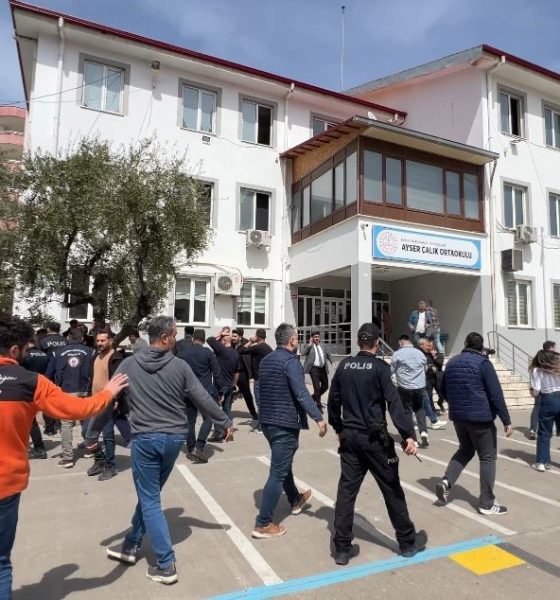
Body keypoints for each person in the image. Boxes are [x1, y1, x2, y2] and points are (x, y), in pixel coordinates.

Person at [0, 313, 128, 600]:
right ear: (14, 350)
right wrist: (108, 393)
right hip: (5, 485)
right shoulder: (29, 382)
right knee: (0, 563)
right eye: (25, 349)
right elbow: (77, 409)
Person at [105, 316, 232, 585]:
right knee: (149, 496)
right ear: (164, 338)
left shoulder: (129, 364)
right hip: (173, 440)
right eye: (174, 334)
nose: (176, 339)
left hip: (146, 440)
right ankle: (130, 544)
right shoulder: (179, 366)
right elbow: (202, 397)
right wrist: (224, 421)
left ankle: (165, 564)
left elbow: (108, 398)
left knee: (150, 499)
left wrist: (92, 432)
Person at [328, 323, 427, 565]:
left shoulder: (344, 366)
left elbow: (333, 401)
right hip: (375, 439)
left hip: (350, 437)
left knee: (346, 492)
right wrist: (408, 435)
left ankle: (342, 548)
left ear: (358, 341)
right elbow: (394, 403)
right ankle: (407, 542)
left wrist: (339, 428)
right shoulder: (380, 368)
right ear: (376, 342)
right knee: (392, 489)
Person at [252, 323, 327, 539]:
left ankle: (295, 499)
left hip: (268, 422)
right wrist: (318, 417)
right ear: (292, 341)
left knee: (283, 464)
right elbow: (301, 393)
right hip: (284, 424)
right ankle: (263, 523)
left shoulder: (266, 361)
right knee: (277, 472)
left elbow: (260, 389)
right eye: (297, 338)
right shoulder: (291, 362)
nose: (298, 341)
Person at [436, 332, 512, 515]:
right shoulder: (483, 364)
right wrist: (506, 420)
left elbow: (442, 387)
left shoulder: (452, 362)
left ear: (465, 343)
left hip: (459, 417)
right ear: (481, 346)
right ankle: (486, 503)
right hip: (480, 419)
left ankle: (446, 481)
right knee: (487, 458)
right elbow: (496, 394)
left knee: (465, 450)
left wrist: (454, 403)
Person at [45, 327, 94, 468]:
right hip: (85, 391)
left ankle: (68, 458)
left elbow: (49, 374)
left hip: (65, 391)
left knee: (66, 424)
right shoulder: (90, 352)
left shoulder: (58, 353)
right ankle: (89, 449)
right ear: (82, 338)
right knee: (86, 420)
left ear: (67, 338)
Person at [84, 329, 129, 481]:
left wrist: (116, 399)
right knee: (86, 433)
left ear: (110, 341)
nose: (99, 343)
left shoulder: (116, 358)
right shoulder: (96, 356)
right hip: (94, 401)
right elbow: (93, 379)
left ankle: (111, 467)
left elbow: (121, 380)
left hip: (108, 402)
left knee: (108, 436)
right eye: (98, 341)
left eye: (103, 340)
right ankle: (100, 459)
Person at [177, 328, 225, 463]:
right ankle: (200, 446)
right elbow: (217, 373)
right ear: (203, 340)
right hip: (205, 392)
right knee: (208, 419)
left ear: (193, 339)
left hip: (188, 392)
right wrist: (220, 391)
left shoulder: (182, 354)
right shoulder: (208, 353)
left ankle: (191, 449)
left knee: (190, 421)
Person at [391, 335, 430, 448]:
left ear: (400, 343)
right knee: (420, 408)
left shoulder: (397, 354)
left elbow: (391, 370)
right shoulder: (420, 353)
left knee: (407, 411)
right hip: (420, 386)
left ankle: (413, 438)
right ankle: (423, 432)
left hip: (405, 386)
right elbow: (425, 368)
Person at [529, 349, 560, 471]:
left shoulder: (537, 370)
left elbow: (536, 391)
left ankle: (542, 462)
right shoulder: (558, 368)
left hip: (548, 400)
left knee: (544, 433)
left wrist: (532, 392)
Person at [207, 327, 239, 440]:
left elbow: (209, 339)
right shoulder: (236, 353)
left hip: (219, 385)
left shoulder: (222, 350)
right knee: (227, 409)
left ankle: (218, 433)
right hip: (229, 384)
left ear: (224, 341)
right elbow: (236, 372)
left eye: (221, 340)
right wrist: (234, 384)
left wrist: (221, 333)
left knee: (216, 409)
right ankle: (228, 431)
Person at [21, 338, 49, 460]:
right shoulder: (44, 354)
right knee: (32, 421)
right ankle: (39, 448)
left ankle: (38, 449)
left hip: (26, 388)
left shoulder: (25, 355)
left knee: (30, 421)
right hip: (40, 386)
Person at [529, 341, 560, 439]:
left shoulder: (538, 360)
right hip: (549, 391)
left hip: (540, 389)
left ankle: (533, 430)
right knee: (554, 408)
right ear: (550, 348)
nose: (555, 350)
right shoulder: (554, 361)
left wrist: (533, 391)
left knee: (537, 408)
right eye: (554, 348)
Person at [238, 328, 273, 408]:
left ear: (257, 337)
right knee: (266, 401)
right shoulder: (268, 348)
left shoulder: (257, 348)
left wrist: (250, 341)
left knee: (259, 402)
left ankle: (262, 416)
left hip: (259, 378)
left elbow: (241, 350)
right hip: (268, 377)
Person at [417, 338, 447, 430]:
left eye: (430, 345)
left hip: (435, 378)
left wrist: (434, 356)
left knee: (441, 393)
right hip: (426, 379)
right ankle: (434, 418)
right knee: (428, 398)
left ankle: (437, 409)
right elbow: (420, 365)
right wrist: (430, 367)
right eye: (427, 345)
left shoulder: (434, 353)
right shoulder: (419, 353)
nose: (429, 347)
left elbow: (439, 363)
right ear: (421, 345)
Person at [231, 327, 258, 421]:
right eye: (232, 336)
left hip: (242, 373)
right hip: (231, 372)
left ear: (240, 337)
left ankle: (253, 413)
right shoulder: (230, 344)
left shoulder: (246, 343)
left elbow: (250, 354)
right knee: (228, 392)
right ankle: (226, 413)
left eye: (235, 336)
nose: (233, 338)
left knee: (247, 393)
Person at [302, 331, 332, 413]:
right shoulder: (309, 345)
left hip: (322, 368)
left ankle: (312, 398)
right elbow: (303, 353)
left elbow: (327, 354)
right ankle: (318, 406)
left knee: (325, 386)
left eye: (318, 336)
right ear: (312, 338)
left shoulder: (323, 345)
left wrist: (332, 362)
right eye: (315, 337)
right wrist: (309, 344)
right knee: (317, 387)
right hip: (313, 369)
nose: (317, 338)